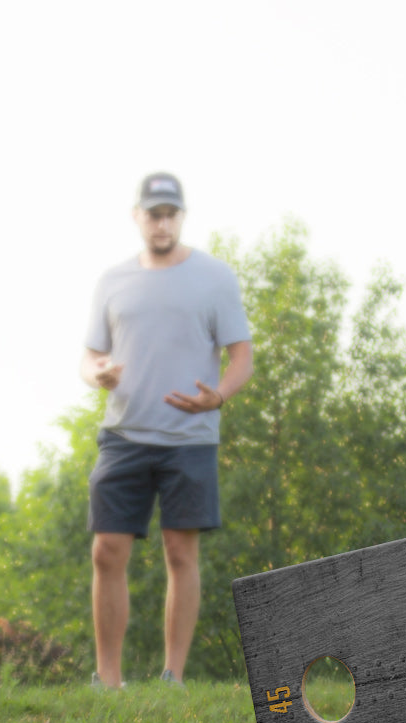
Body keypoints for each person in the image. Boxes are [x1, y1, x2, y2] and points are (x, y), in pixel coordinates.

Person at [81, 172, 253, 689]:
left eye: (170, 213)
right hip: (123, 436)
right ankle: (108, 679)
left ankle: (172, 676)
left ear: (181, 216)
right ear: (138, 216)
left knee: (181, 552)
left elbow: (242, 355)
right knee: (106, 550)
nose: (161, 222)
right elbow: (90, 355)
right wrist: (98, 373)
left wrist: (218, 395)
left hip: (189, 438)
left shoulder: (215, 277)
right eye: (153, 213)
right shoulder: (111, 280)